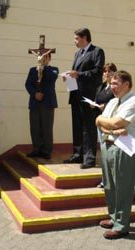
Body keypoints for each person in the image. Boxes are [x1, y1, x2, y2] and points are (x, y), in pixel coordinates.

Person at [96, 70, 135, 239]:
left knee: (122, 187)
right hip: (108, 144)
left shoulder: (133, 101)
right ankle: (114, 218)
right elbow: (99, 120)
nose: (112, 87)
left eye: (116, 83)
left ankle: (121, 225)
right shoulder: (112, 102)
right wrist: (109, 127)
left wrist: (109, 124)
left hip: (124, 149)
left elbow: (118, 122)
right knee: (110, 186)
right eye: (111, 83)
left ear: (127, 84)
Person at [63, 28, 105, 168]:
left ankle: (89, 158)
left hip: (88, 96)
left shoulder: (97, 51)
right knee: (77, 126)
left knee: (88, 127)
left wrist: (79, 74)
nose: (74, 41)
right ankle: (77, 154)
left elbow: (98, 72)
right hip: (75, 94)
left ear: (84, 37)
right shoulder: (77, 53)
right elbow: (76, 73)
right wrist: (69, 77)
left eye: (76, 38)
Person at [25, 53, 59, 159]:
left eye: (45, 57)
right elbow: (28, 84)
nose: (42, 59)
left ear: (49, 59)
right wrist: (35, 93)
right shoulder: (32, 70)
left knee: (47, 127)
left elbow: (52, 78)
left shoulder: (54, 69)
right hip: (35, 102)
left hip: (47, 102)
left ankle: (46, 150)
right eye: (40, 57)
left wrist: (43, 67)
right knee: (35, 127)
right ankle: (36, 149)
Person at [94, 63, 117, 188]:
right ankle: (105, 180)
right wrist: (95, 104)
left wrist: (106, 106)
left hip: (111, 123)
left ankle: (109, 180)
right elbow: (98, 99)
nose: (106, 74)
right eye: (104, 71)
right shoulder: (102, 86)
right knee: (103, 152)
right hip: (101, 122)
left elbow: (117, 103)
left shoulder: (115, 89)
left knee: (110, 152)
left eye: (109, 71)